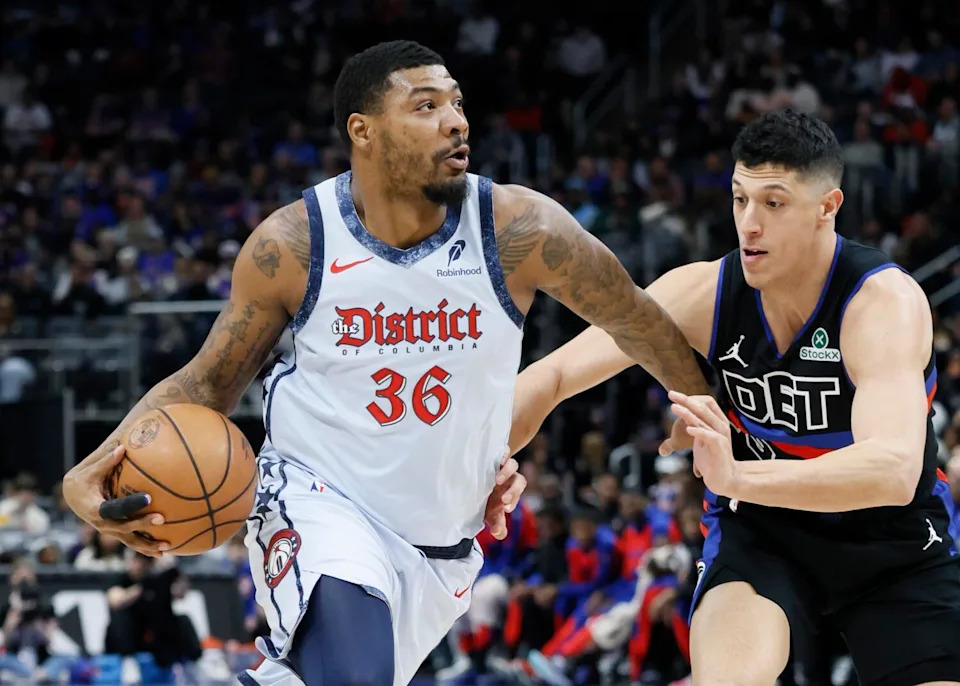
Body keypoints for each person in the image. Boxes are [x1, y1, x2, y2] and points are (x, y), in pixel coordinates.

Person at [61, 41, 710, 686]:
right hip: (320, 503)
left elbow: (631, 312)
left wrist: (697, 402)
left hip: (443, 550)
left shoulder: (520, 230)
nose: (456, 120)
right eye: (425, 106)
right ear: (363, 132)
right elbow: (206, 384)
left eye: (457, 103)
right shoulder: (294, 244)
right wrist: (89, 471)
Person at [510, 108, 960, 685]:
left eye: (773, 204)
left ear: (828, 207)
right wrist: (476, 468)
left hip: (892, 543)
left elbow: (895, 469)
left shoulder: (882, 304)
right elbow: (551, 377)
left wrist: (737, 476)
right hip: (764, 534)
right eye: (739, 198)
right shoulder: (704, 292)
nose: (748, 223)